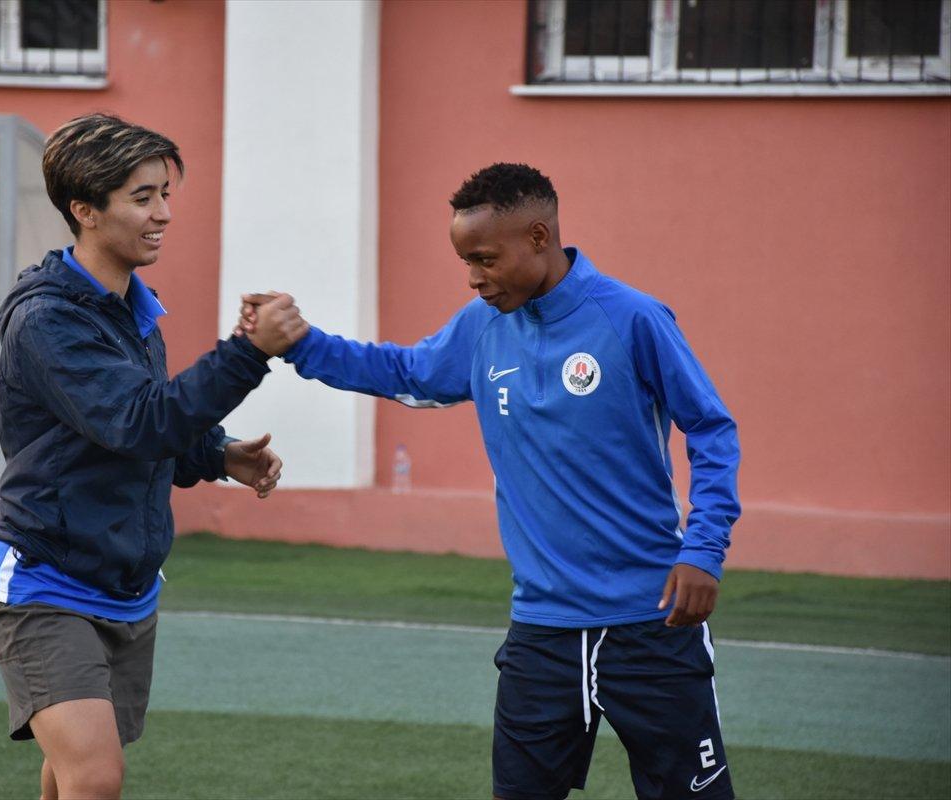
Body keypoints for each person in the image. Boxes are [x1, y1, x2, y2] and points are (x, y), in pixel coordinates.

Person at [239, 163, 740, 800]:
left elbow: (713, 430)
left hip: (652, 624)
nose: (474, 278)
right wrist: (302, 343)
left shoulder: (633, 319)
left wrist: (703, 550)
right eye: (464, 262)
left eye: (484, 258)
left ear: (538, 236)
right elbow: (407, 372)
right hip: (542, 630)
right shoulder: (483, 327)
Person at [0, 113, 307, 800]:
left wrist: (217, 455)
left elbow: (133, 431)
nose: (164, 213)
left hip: (126, 587)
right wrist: (249, 352)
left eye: (165, 193)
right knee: (96, 778)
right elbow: (136, 421)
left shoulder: (129, 307)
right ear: (84, 210)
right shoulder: (49, 321)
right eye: (143, 196)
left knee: (71, 772)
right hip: (46, 585)